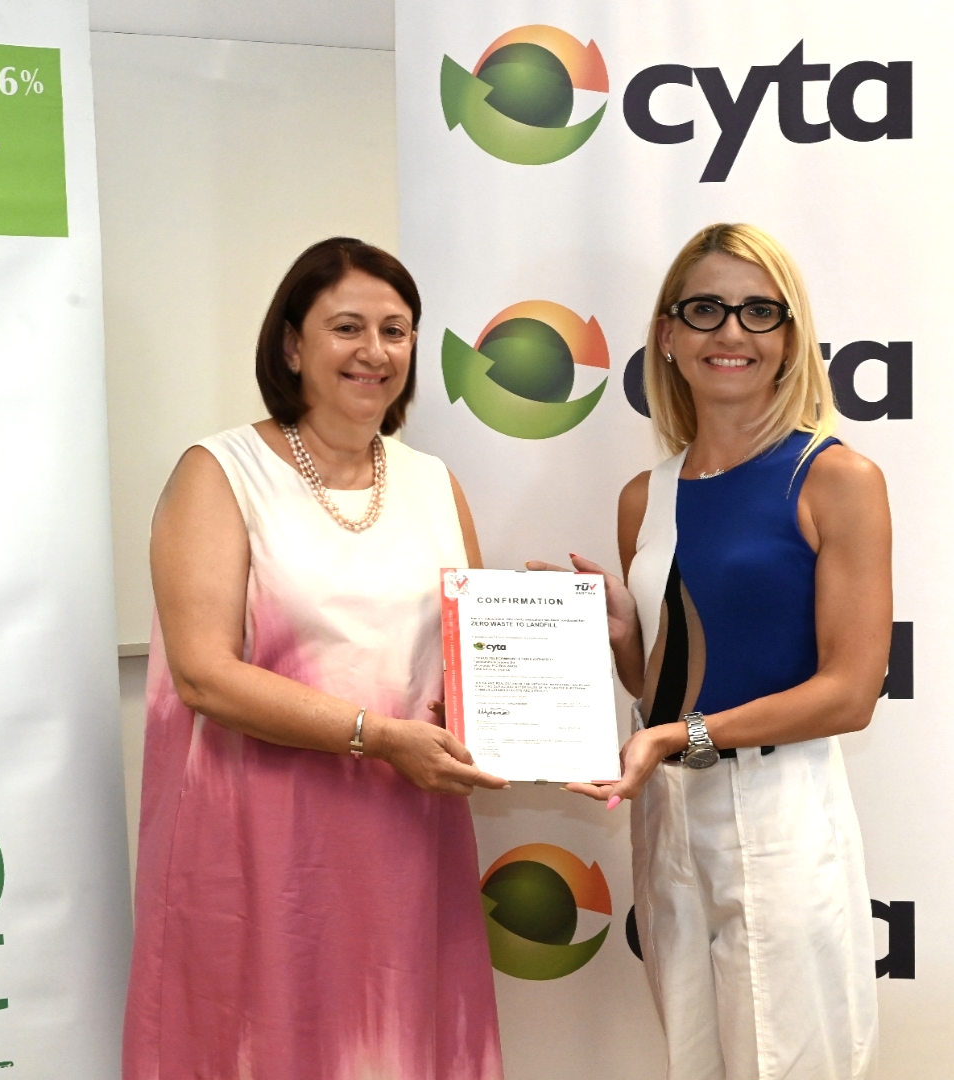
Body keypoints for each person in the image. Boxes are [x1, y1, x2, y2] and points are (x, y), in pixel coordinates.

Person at [123, 237, 506, 1080]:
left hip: (407, 840)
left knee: (394, 1046)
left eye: (395, 330)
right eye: (347, 327)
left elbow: (468, 664)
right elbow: (204, 674)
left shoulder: (433, 483)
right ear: (293, 345)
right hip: (261, 847)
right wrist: (380, 735)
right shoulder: (220, 472)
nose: (375, 351)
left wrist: (534, 656)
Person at [541, 223, 888, 1079]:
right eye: (705, 309)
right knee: (693, 1062)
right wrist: (627, 637)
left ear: (790, 338)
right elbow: (663, 688)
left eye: (758, 311)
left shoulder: (835, 478)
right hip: (668, 814)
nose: (731, 332)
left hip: (780, 810)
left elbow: (850, 693)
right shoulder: (644, 496)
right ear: (667, 334)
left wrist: (680, 736)